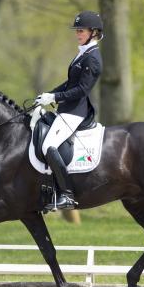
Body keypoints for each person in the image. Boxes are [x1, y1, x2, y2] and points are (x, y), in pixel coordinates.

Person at [34, 11, 103, 210]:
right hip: (66, 109)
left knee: (49, 146)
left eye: (81, 30)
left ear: (94, 32)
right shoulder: (83, 53)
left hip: (75, 112)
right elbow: (70, 83)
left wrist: (54, 98)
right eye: (77, 30)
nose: (77, 34)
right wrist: (48, 94)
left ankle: (67, 194)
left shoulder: (93, 58)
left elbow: (82, 89)